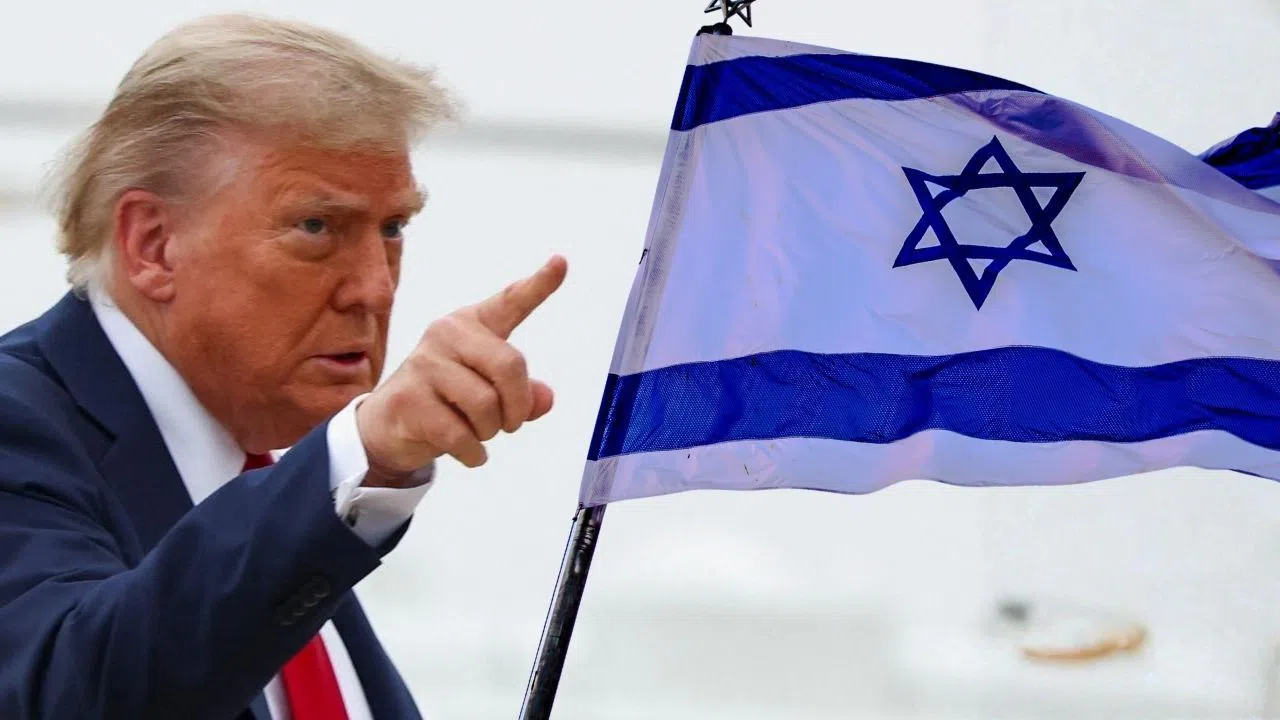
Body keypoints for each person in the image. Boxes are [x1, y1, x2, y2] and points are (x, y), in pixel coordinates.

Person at [0, 13, 566, 720]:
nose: (375, 288)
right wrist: (360, 455)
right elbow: (76, 693)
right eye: (317, 227)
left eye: (393, 228)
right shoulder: (20, 425)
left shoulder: (281, 497)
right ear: (154, 245)